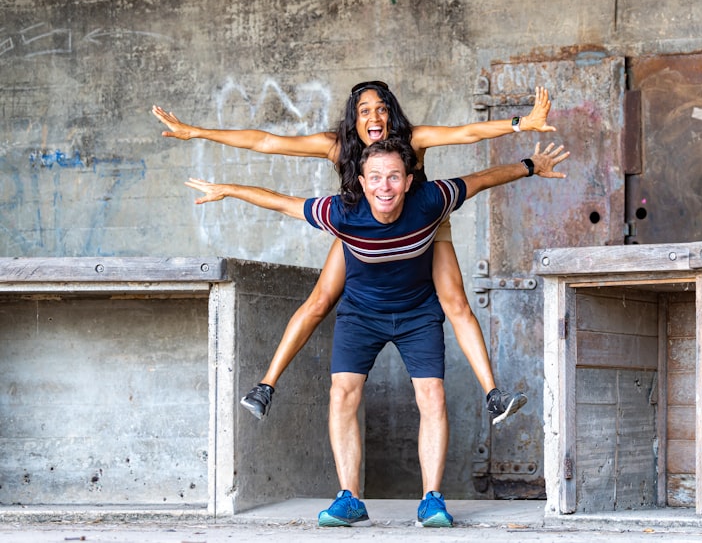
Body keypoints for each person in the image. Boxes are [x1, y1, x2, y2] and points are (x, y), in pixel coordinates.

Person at [185, 137, 570, 527]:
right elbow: (280, 201)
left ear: (407, 181)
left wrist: (531, 165)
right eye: (375, 178)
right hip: (361, 314)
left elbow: (483, 178)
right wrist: (228, 189)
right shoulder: (341, 212)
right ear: (363, 183)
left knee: (432, 394)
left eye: (392, 177)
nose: (384, 186)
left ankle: (431, 501)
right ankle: (349, 499)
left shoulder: (431, 200)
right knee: (342, 392)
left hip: (417, 312)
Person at [153, 81, 555, 424]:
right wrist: (196, 133)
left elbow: (467, 133)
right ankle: (265, 386)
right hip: (363, 230)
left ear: (390, 114)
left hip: (423, 223)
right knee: (319, 302)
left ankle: (493, 396)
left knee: (456, 303)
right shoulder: (337, 147)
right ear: (355, 118)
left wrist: (521, 123)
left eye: (381, 108)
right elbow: (266, 141)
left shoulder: (411, 140)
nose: (374, 116)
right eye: (365, 110)